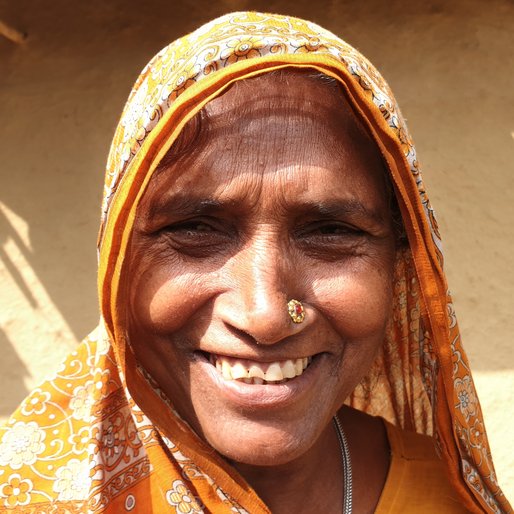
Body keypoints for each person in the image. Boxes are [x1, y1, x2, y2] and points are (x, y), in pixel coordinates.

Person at [0, 11, 510, 514]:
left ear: (399, 264)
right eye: (193, 229)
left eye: (331, 232)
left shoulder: (450, 500)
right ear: (117, 259)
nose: (265, 316)